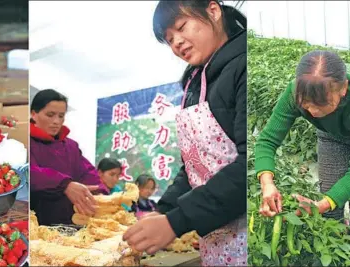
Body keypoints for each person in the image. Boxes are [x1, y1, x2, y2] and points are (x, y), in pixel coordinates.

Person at [123, 1, 247, 265]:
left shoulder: (246, 65)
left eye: (182, 27)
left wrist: (176, 221)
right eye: (169, 40)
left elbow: (251, 166)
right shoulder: (195, 83)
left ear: (213, 11)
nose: (177, 43)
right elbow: (196, 166)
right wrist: (164, 211)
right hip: (216, 238)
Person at [255, 50, 350, 250]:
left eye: (323, 104)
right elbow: (267, 140)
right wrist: (266, 183)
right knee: (330, 192)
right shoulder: (295, 92)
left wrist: (319, 206)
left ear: (343, 89)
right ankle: (334, 248)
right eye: (306, 105)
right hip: (331, 134)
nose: (314, 112)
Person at [29, 89, 108, 226]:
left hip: (72, 224)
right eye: (50, 115)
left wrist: (99, 192)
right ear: (34, 114)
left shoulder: (71, 146)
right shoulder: (27, 141)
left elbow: (87, 172)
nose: (56, 121)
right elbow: (30, 172)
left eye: (61, 116)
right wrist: (65, 185)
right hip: (40, 225)